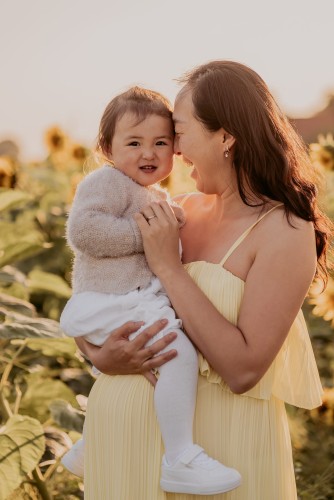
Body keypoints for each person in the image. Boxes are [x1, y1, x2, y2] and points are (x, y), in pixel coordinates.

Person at [76, 61, 329, 500]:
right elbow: (98, 292)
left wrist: (170, 269)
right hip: (125, 450)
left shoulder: (284, 230)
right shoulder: (174, 209)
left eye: (179, 131)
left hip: (223, 451)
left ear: (225, 137)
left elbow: (244, 368)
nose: (172, 149)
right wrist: (100, 355)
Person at [60, 85, 241, 494]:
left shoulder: (154, 195)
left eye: (161, 142)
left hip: (126, 301)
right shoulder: (108, 181)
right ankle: (180, 455)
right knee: (175, 352)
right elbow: (84, 231)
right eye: (134, 142)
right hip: (108, 299)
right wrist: (148, 233)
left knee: (157, 353)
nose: (149, 153)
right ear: (107, 148)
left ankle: (89, 446)